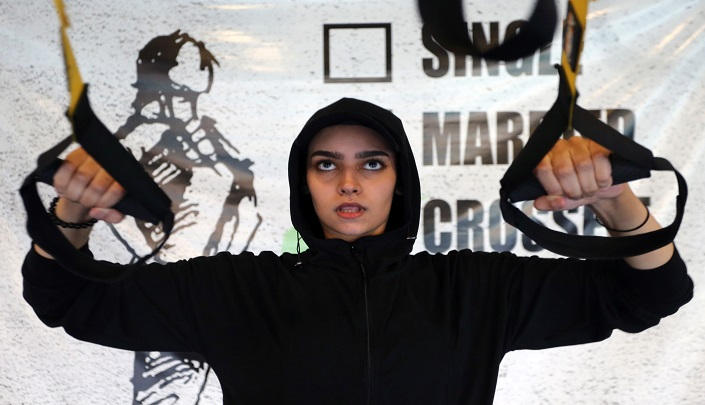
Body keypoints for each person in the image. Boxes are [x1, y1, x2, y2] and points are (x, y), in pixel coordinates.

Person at [23, 98, 693, 404]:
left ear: (400, 180)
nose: (348, 182)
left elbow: (650, 293)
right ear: (303, 182)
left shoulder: (472, 288)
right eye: (326, 164)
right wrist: (73, 210)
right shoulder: (235, 290)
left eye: (372, 163)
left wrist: (614, 202)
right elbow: (65, 297)